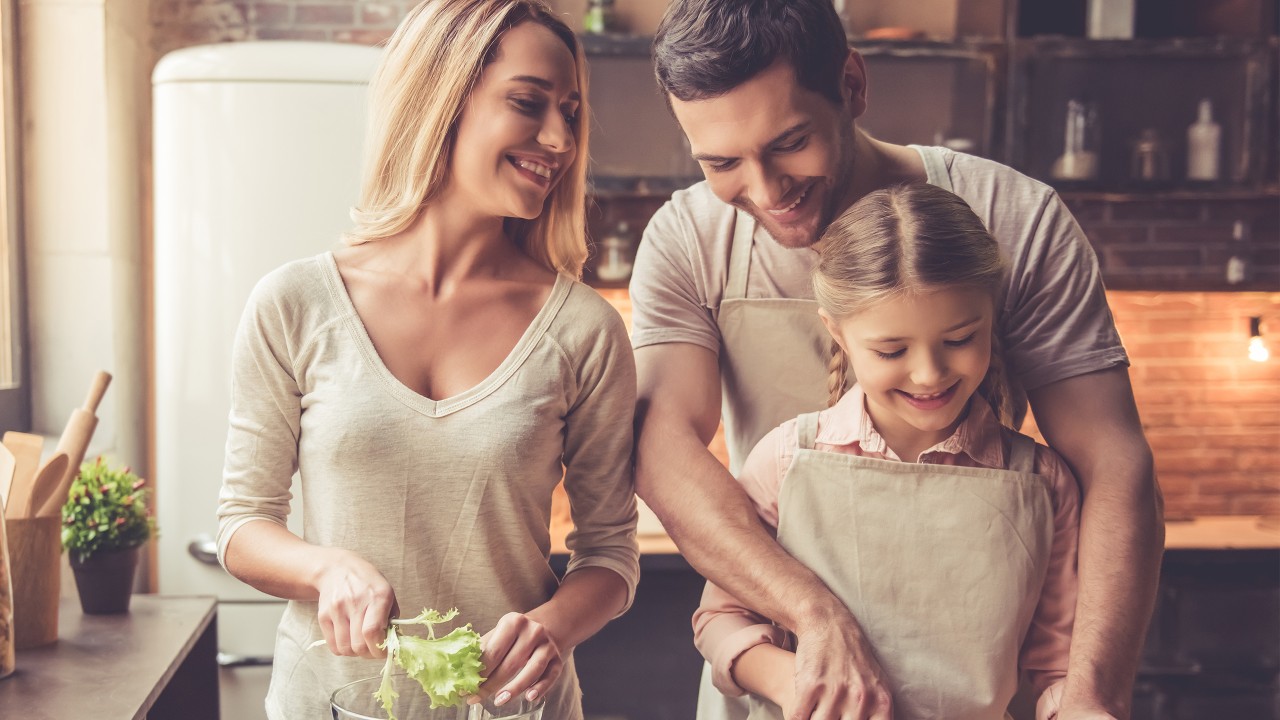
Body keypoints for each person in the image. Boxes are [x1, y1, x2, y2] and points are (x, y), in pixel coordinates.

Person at [630, 1, 1162, 718]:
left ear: (852, 85)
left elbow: (1113, 462)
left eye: (790, 142)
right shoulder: (687, 239)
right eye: (722, 163)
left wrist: (1090, 694)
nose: (764, 190)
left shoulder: (1017, 219)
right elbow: (661, 448)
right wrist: (812, 615)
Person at [216, 2, 639, 719]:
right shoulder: (296, 303)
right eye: (528, 103)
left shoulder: (585, 330)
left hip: (511, 708)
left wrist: (553, 627)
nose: (560, 138)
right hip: (330, 703)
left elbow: (610, 557)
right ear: (444, 97)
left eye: (570, 112)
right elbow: (242, 525)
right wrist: (327, 567)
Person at [694, 183, 1079, 720]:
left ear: (992, 317)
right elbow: (720, 618)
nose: (929, 374)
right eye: (891, 350)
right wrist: (794, 682)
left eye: (961, 339)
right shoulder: (785, 462)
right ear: (839, 333)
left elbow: (1059, 669)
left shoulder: (1043, 483)